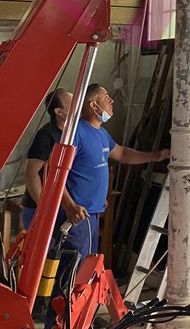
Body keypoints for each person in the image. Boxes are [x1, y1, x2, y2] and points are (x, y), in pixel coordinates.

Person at [62, 82, 170, 263]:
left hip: (93, 212)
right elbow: (54, 172)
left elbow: (123, 154)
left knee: (87, 263)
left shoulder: (102, 134)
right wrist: (68, 205)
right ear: (93, 105)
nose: (111, 101)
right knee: (74, 266)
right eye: (106, 97)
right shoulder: (76, 133)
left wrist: (156, 156)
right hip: (77, 213)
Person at [20, 88, 86, 231]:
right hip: (37, 209)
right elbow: (31, 174)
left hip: (61, 206)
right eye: (70, 103)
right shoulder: (46, 136)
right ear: (59, 112)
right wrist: (43, 207)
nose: (76, 106)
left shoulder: (71, 134)